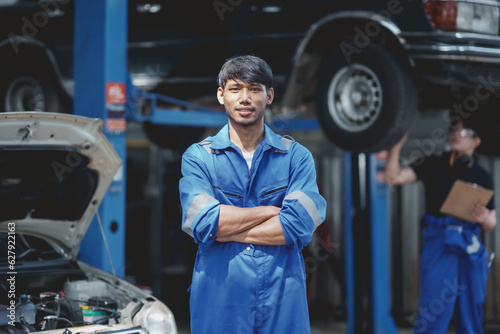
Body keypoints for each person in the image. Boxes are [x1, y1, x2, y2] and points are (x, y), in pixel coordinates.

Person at [178, 55, 327, 333]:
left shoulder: (296, 157)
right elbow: (203, 222)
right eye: (235, 89)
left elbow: (297, 225)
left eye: (254, 89)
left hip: (282, 296)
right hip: (220, 296)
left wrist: (224, 231)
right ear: (221, 95)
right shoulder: (199, 158)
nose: (244, 98)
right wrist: (271, 212)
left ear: (269, 95)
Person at [384, 117, 496, 334]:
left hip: (470, 248)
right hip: (439, 244)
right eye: (454, 129)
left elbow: (492, 223)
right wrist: (395, 146)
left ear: (476, 141)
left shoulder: (483, 176)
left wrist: (484, 219)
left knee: (471, 307)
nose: (457, 133)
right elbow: (393, 177)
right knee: (433, 307)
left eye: (465, 131)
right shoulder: (432, 164)